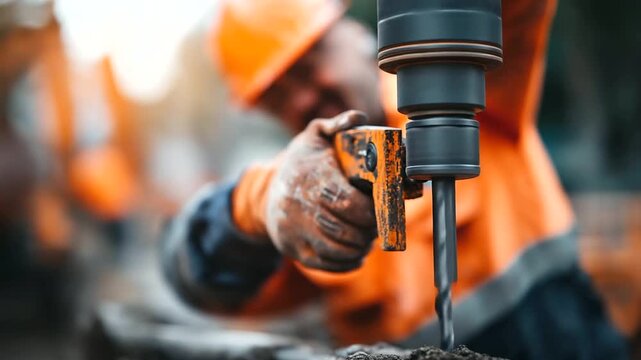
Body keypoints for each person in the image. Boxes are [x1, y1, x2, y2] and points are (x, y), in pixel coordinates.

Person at [162, 0, 628, 358]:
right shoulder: (305, 200)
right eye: (277, 97)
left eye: (307, 66)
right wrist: (255, 207)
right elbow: (193, 279)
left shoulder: (489, 89)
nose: (303, 99)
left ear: (356, 33)